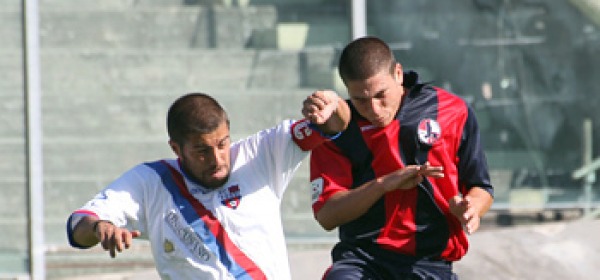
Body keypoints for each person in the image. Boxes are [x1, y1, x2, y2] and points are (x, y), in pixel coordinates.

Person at [66, 91, 350, 279]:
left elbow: (335, 125)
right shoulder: (151, 182)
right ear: (176, 148)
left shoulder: (261, 154)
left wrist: (332, 105)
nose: (217, 159)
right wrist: (99, 228)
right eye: (202, 151)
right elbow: (79, 225)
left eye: (222, 144)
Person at [306, 36, 494, 279]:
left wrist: (471, 208)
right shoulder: (337, 130)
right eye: (360, 100)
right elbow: (327, 216)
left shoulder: (452, 111)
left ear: (398, 73)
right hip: (363, 260)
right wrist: (384, 184)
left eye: (380, 94)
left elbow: (481, 187)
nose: (373, 108)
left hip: (431, 264)